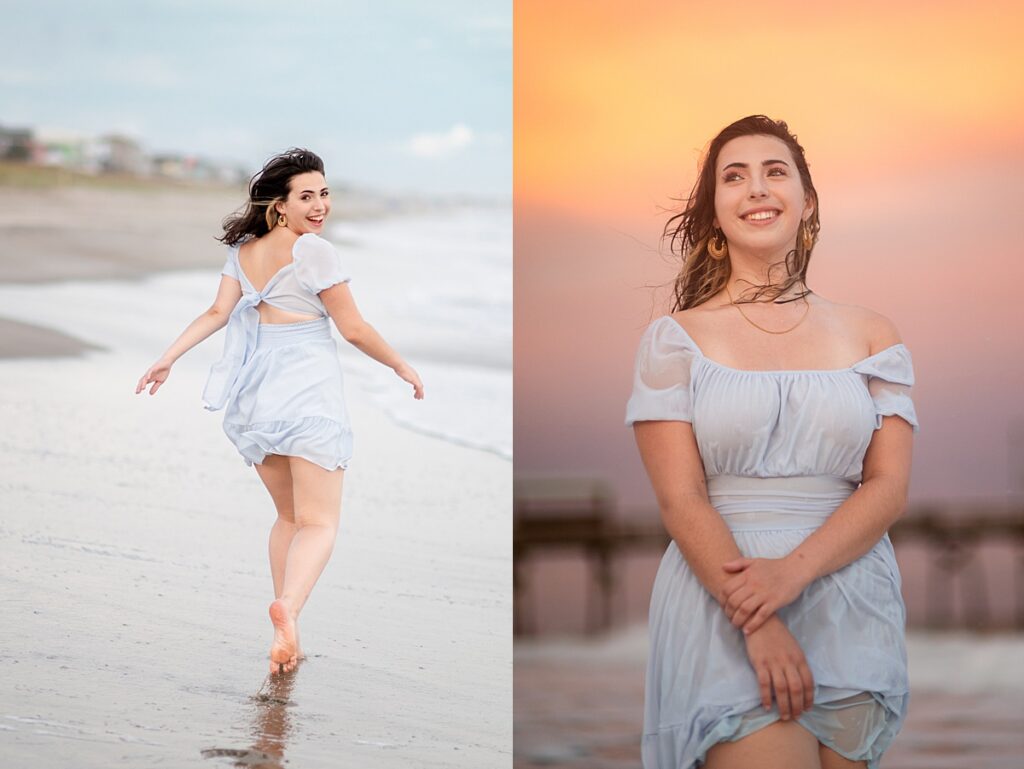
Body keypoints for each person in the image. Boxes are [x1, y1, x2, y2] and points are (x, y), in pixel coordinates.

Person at [626, 116, 917, 769]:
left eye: (774, 171)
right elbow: (682, 499)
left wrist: (793, 573)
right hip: (727, 602)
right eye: (735, 177)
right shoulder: (676, 340)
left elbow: (888, 486)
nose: (756, 188)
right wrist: (757, 619)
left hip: (850, 597)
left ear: (807, 201)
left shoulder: (873, 334)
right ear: (715, 213)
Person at [136, 148, 423, 675]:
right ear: (280, 206)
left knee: (289, 517)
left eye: (324, 193)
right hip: (305, 397)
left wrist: (167, 358)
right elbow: (353, 328)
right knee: (321, 523)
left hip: (254, 400)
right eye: (306, 197)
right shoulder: (315, 252)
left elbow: (218, 313)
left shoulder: (244, 252)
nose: (319, 207)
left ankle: (286, 630)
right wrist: (400, 365)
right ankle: (288, 609)